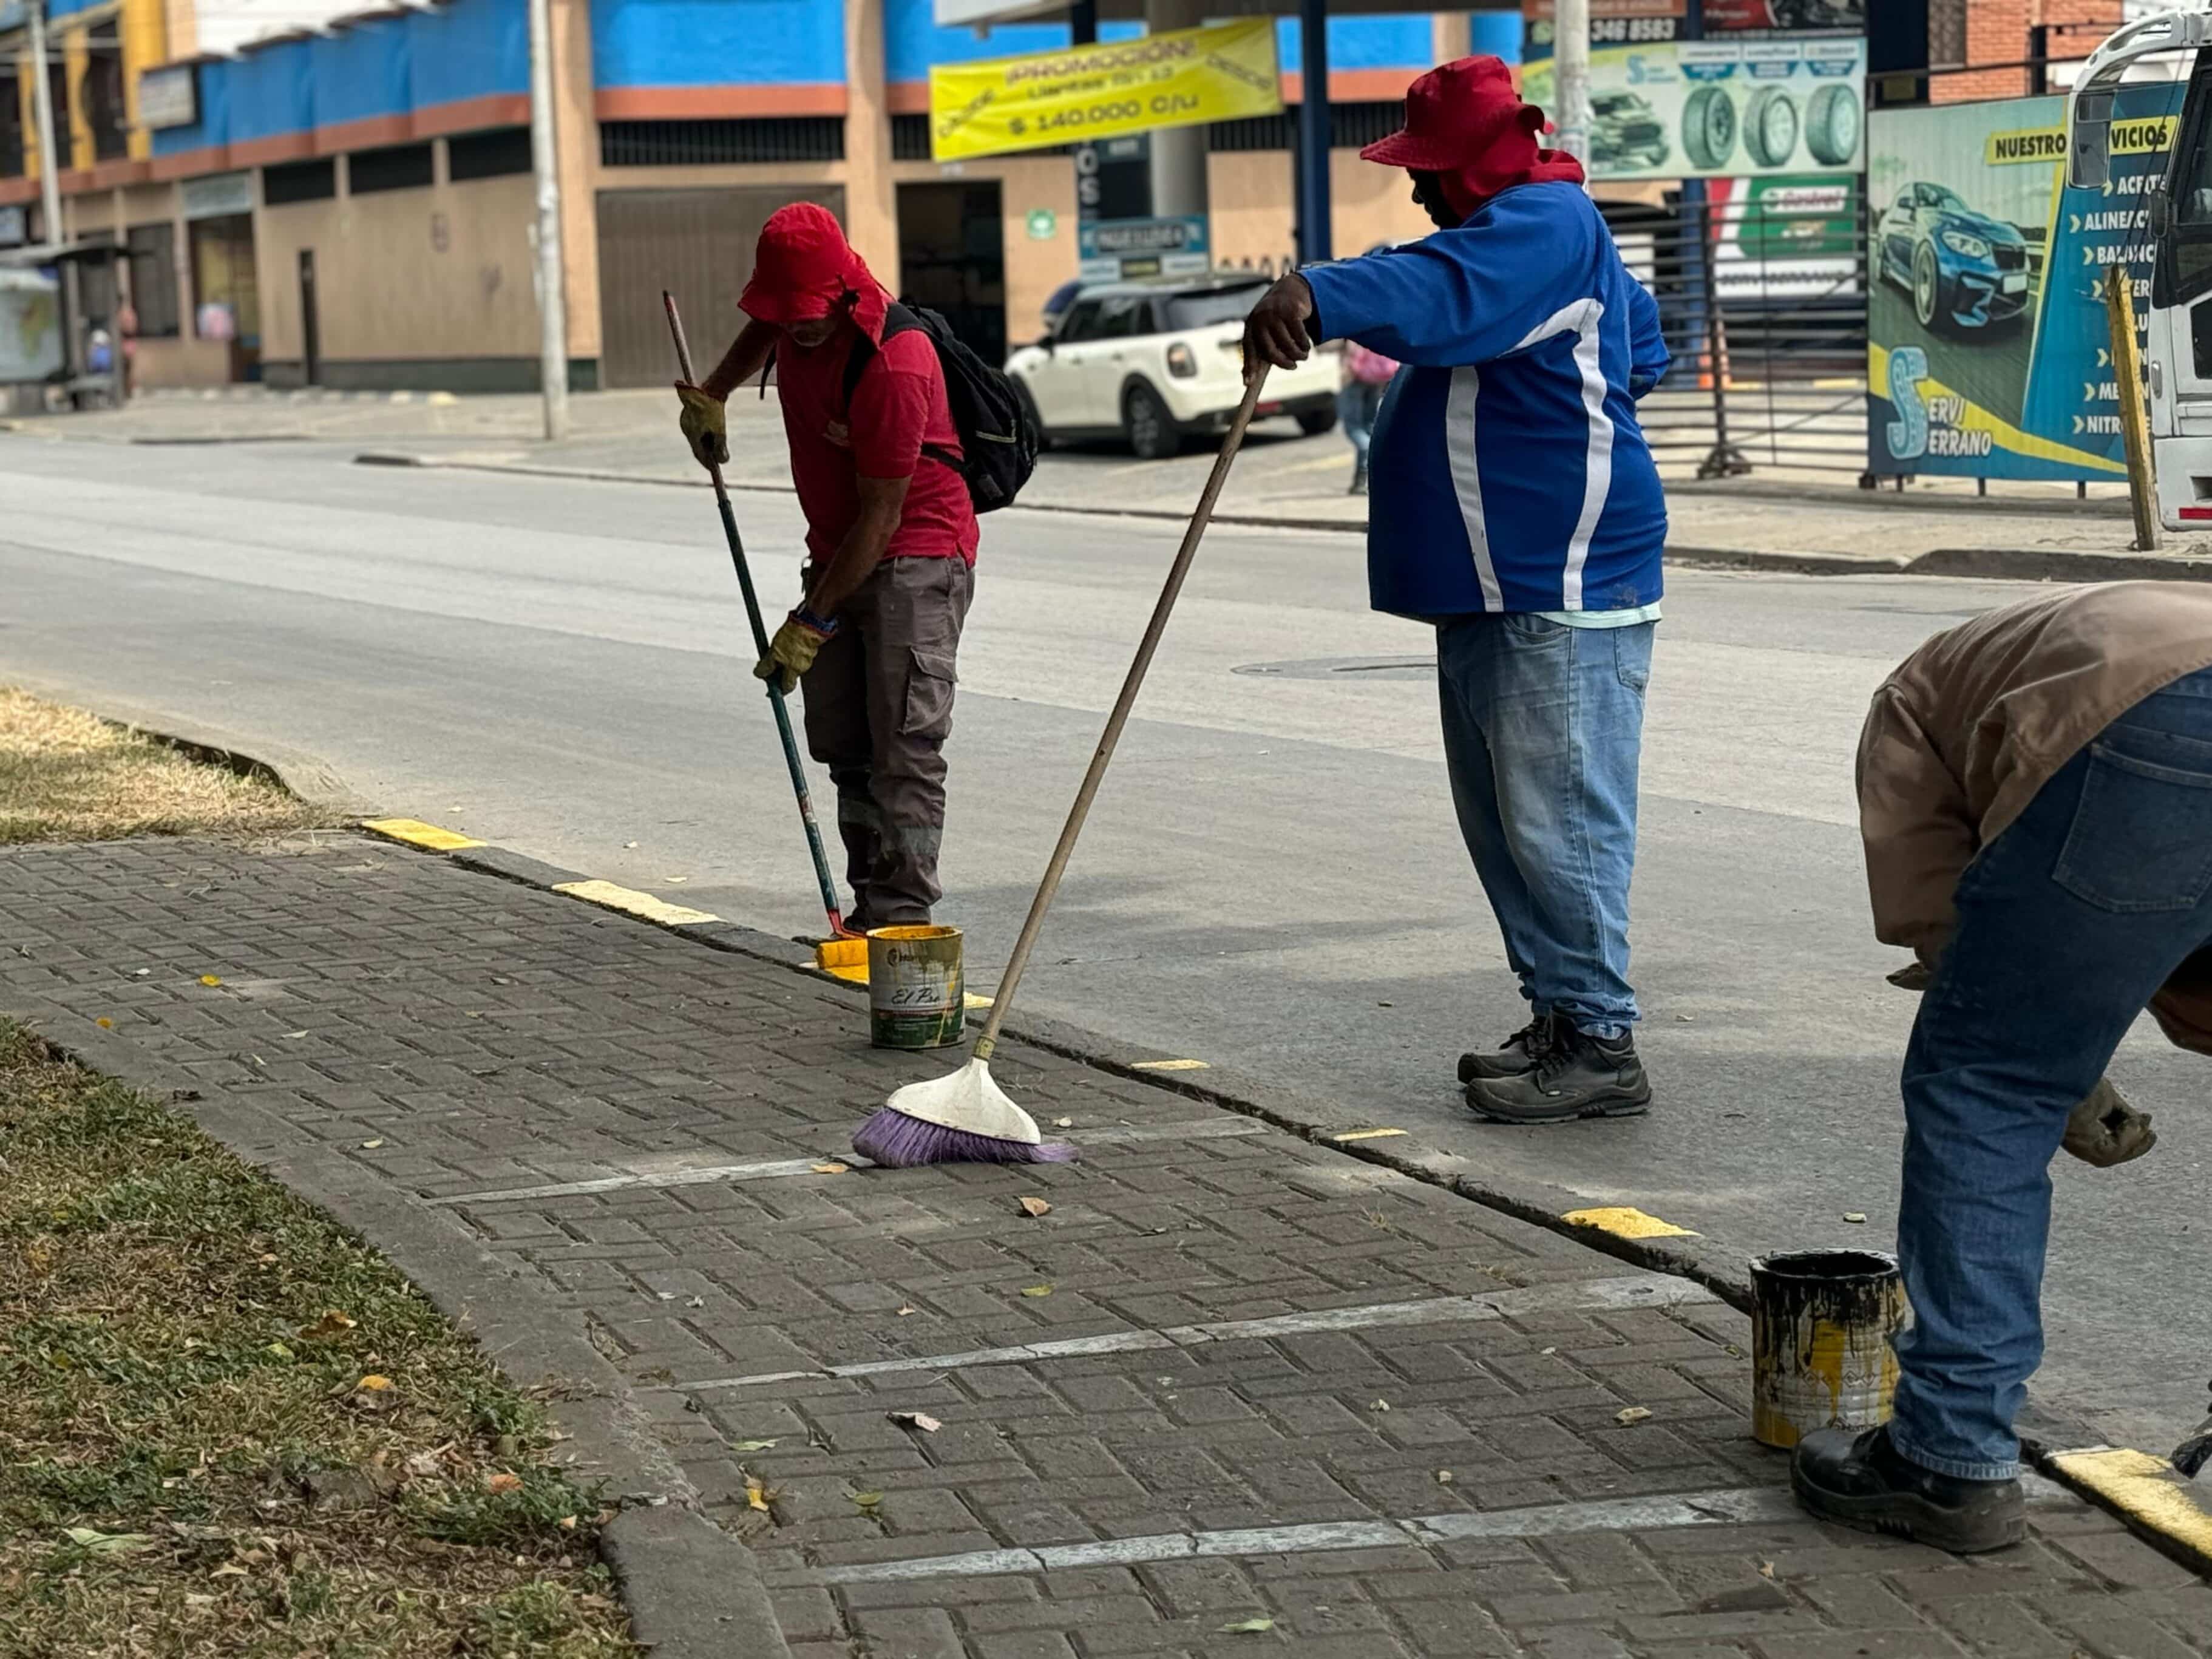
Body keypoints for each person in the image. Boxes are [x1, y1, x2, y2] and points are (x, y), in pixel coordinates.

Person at [1243, 56, 1671, 1125]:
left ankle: (1600, 1038)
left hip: (1554, 583)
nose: (1418, 189)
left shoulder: (1544, 225)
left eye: (1429, 170)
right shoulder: (1522, 238)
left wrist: (1316, 289)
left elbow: (1443, 294)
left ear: (1479, 167)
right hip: (1495, 585)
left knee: (1557, 822)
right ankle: (1561, 1013)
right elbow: (1642, 345)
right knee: (1508, 825)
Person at [1794, 582, 2212, 1554]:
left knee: (1983, 1084)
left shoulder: (1912, 699)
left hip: (2152, 722)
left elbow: (1941, 914)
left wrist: (2051, 1070)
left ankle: (1949, 1457)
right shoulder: (2089, 627)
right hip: (2156, 707)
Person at [674, 203, 978, 929]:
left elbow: (881, 518)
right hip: (838, 555)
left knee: (903, 749)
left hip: (917, 557)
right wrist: (712, 393)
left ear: (845, 290)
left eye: (809, 311)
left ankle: (901, 923)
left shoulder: (895, 361)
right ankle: (866, 902)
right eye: (786, 311)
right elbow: (765, 328)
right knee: (845, 746)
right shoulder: (789, 319)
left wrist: (810, 621)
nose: (798, 326)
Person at [1337, 339, 1397, 495]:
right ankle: (1364, 479)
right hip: (1377, 374)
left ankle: (1366, 467)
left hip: (1355, 375)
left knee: (1354, 428)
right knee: (1370, 425)